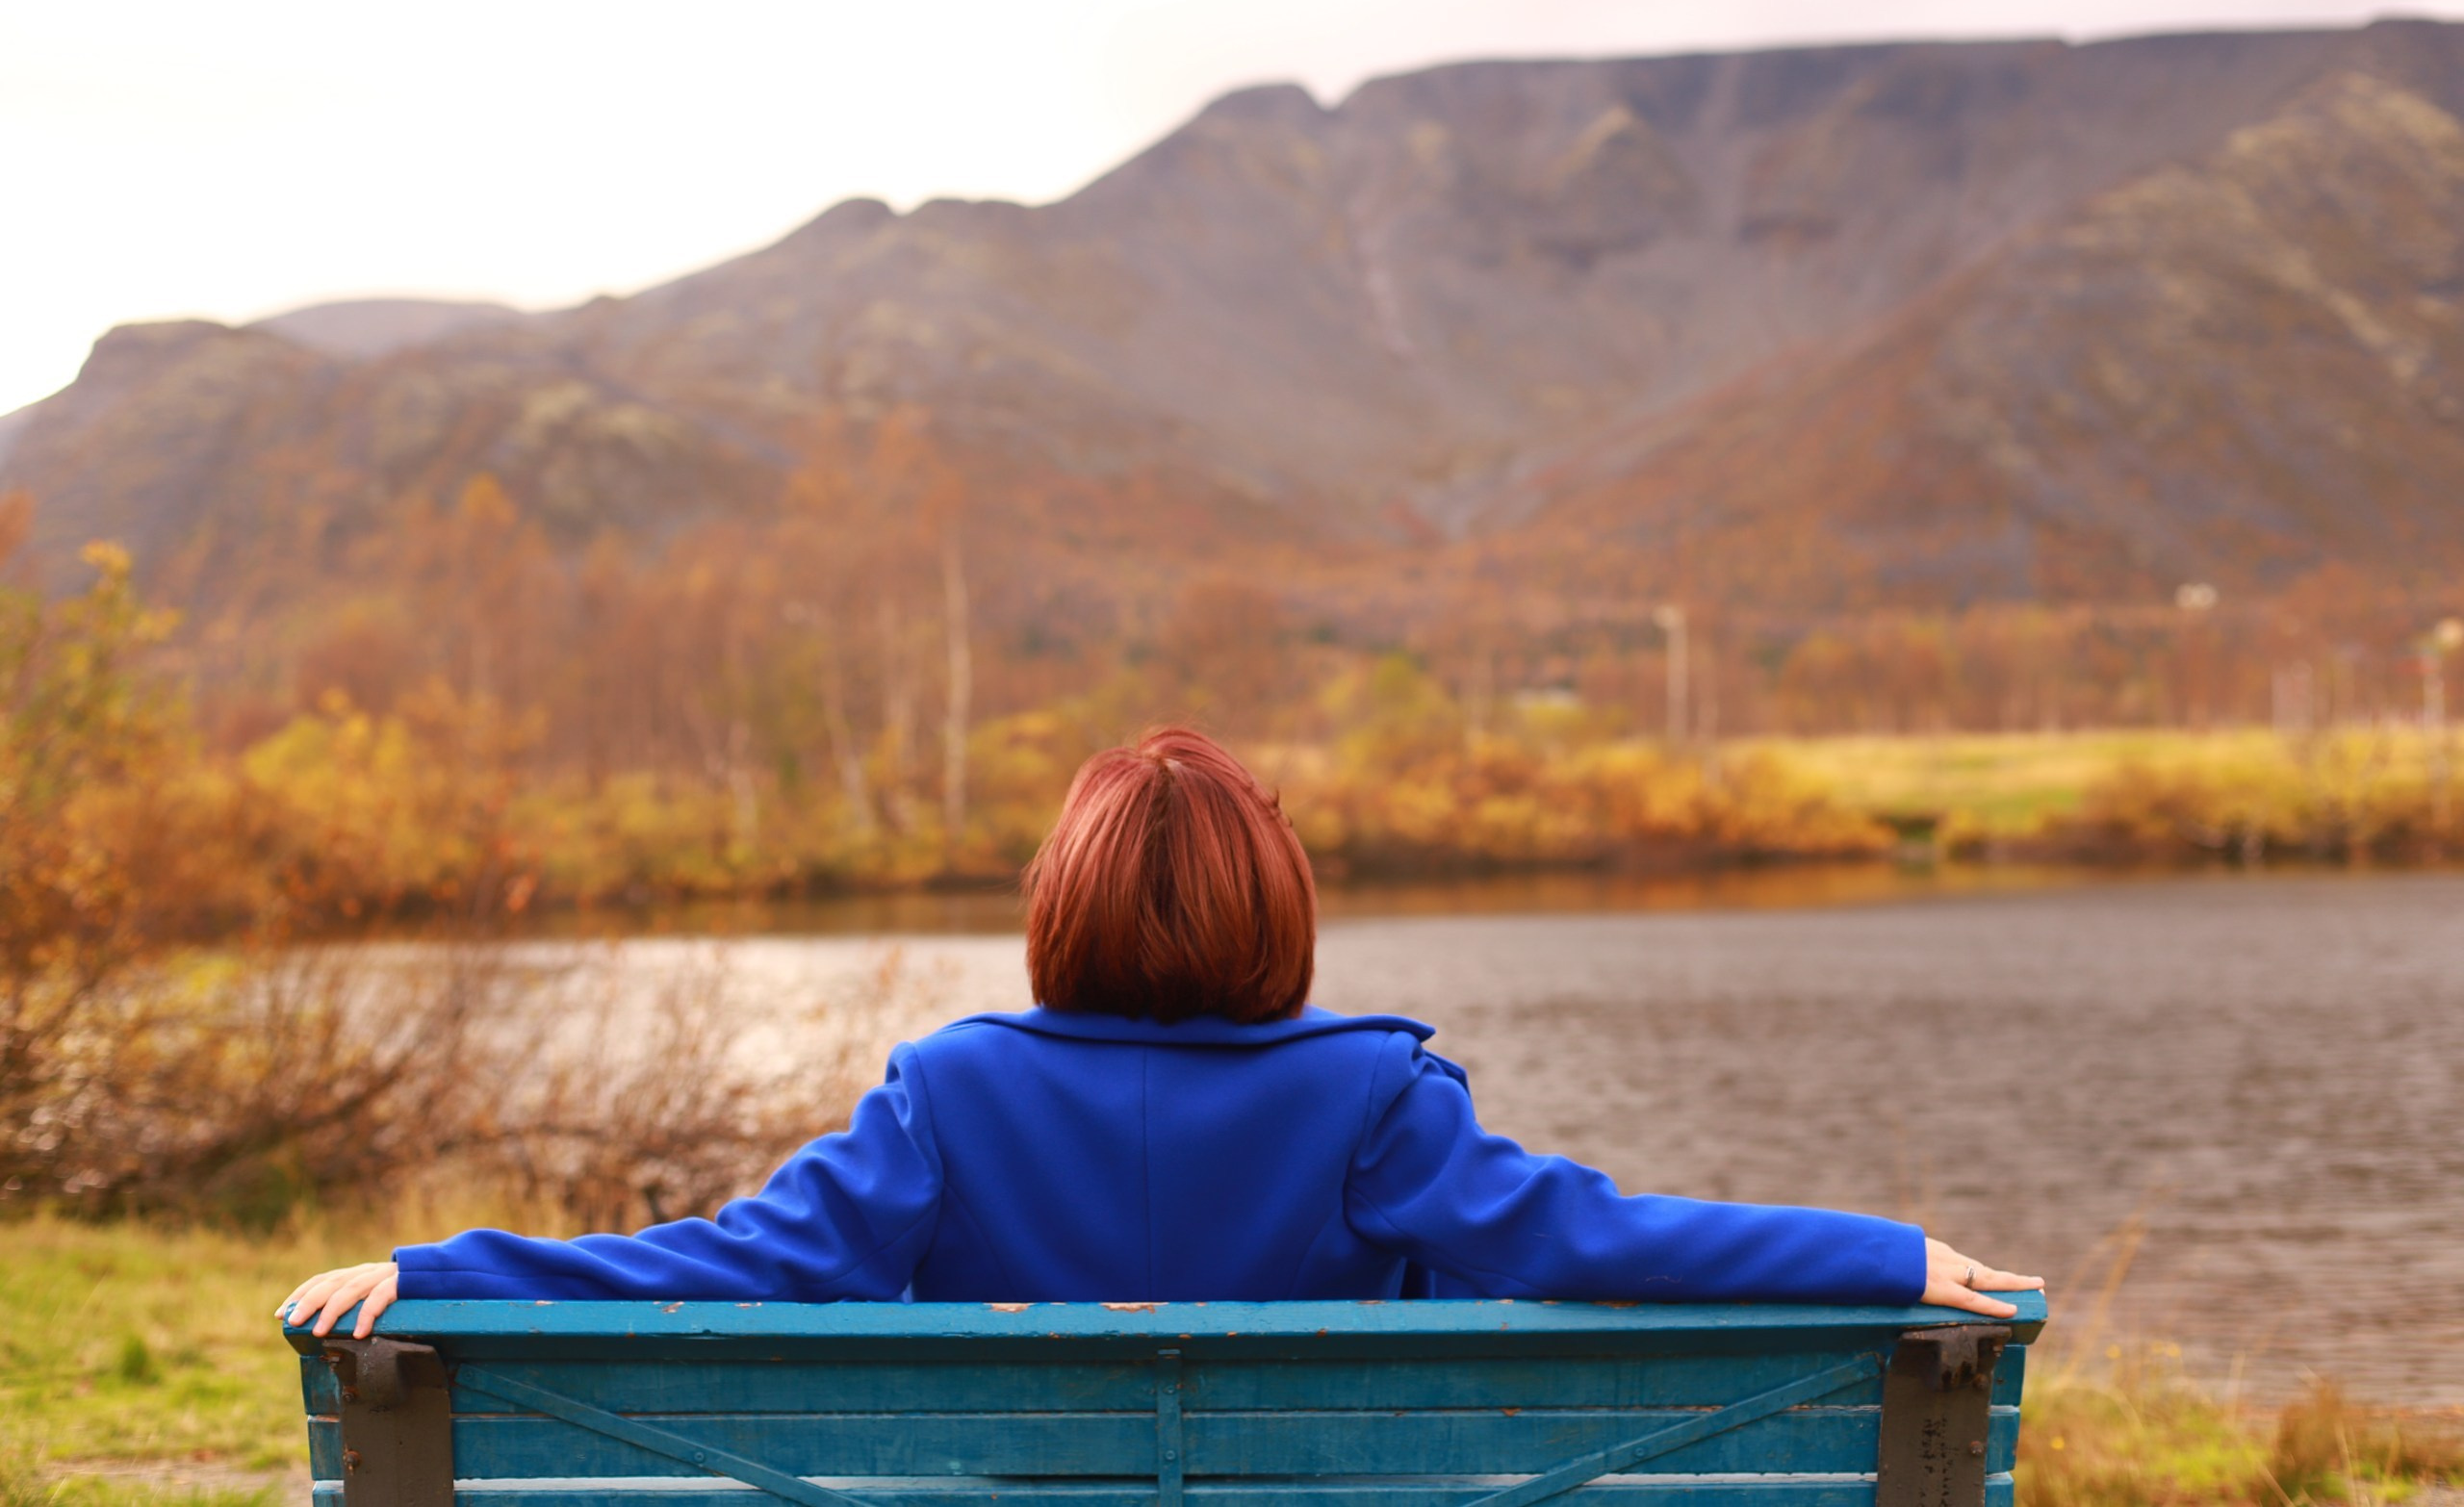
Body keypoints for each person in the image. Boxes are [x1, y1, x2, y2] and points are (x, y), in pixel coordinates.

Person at [285, 728, 2040, 1340]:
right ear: (1279, 906)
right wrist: (1882, 1254)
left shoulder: (946, 1094)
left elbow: (731, 1267)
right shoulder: (1376, 1097)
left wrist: (444, 1271)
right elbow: (1602, 1240)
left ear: (1059, 901)